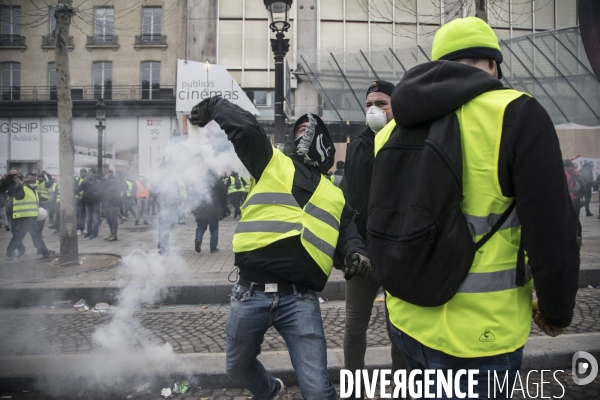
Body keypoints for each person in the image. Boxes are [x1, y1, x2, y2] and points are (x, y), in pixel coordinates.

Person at [369, 17, 579, 398]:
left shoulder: (388, 132)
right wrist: (556, 311)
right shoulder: (517, 114)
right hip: (481, 339)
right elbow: (553, 233)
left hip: (405, 321)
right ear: (493, 64)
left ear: (436, 65)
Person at [189, 96, 370, 400]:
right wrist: (216, 106)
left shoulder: (335, 194)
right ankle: (269, 389)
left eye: (309, 132)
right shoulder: (271, 161)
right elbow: (247, 129)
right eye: (298, 131)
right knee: (236, 367)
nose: (304, 136)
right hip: (250, 293)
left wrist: (355, 253)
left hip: (300, 299)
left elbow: (347, 232)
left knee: (316, 389)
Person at [340, 79, 406, 396]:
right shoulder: (357, 147)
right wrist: (351, 246)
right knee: (354, 326)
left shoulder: (409, 140)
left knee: (400, 329)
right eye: (369, 104)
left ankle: (402, 387)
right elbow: (348, 203)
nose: (374, 110)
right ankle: (354, 387)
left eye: (381, 103)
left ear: (396, 106)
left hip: (399, 255)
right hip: (362, 253)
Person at [5, 170, 56, 262]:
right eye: (29, 180)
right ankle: (9, 254)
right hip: (24, 217)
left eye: (33, 180)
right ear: (24, 179)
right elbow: (10, 193)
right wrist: (20, 184)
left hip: (29, 217)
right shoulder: (21, 187)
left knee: (33, 235)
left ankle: (43, 251)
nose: (32, 182)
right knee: (22, 236)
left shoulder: (32, 189)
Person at [192, 172, 228, 254]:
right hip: (214, 210)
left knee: (201, 227)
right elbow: (225, 192)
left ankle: (198, 239)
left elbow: (194, 196)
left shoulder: (200, 183)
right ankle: (213, 248)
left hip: (202, 209)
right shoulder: (217, 183)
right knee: (214, 229)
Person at [100, 170, 125, 241]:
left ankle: (114, 234)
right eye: (107, 174)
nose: (108, 175)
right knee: (109, 220)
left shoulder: (116, 182)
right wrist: (104, 179)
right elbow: (99, 188)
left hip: (114, 204)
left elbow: (123, 186)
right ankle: (111, 233)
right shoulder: (104, 182)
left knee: (114, 220)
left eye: (110, 174)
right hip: (105, 204)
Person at [564, 160, 585, 245]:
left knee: (568, 219)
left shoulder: (565, 174)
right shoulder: (576, 172)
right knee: (576, 219)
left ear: (565, 166)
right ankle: (578, 237)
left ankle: (570, 238)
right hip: (577, 199)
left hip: (569, 199)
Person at [77, 174, 101, 240]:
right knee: (88, 219)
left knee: (96, 219)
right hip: (87, 203)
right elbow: (77, 190)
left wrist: (94, 194)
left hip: (95, 202)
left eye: (91, 178)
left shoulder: (97, 183)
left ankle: (95, 233)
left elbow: (99, 192)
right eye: (88, 178)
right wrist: (83, 182)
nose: (89, 180)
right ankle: (89, 232)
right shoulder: (85, 184)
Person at [76, 168, 87, 235]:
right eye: (82, 172)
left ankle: (82, 228)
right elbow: (75, 189)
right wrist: (79, 195)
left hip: (85, 199)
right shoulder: (77, 180)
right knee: (79, 215)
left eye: (84, 172)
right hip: (79, 199)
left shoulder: (87, 180)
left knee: (84, 215)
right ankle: (78, 229)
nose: (83, 174)